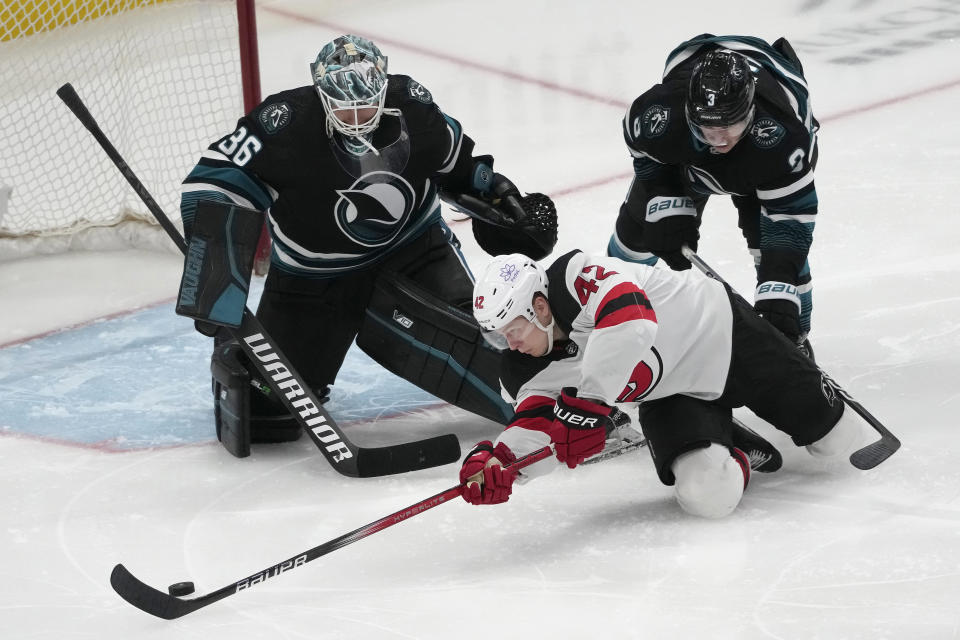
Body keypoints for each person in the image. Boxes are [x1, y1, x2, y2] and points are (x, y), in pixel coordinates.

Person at [178, 35, 557, 454]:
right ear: (320, 93)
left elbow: (457, 165)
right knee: (266, 416)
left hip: (417, 253)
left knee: (496, 345)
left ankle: (569, 394)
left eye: (366, 102)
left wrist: (499, 195)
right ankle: (248, 360)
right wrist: (213, 269)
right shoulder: (283, 123)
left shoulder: (412, 106)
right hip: (312, 282)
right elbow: (212, 182)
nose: (356, 115)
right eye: (343, 104)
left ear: (383, 86)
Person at [458, 251, 874, 518]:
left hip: (727, 339)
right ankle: (728, 440)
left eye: (511, 329)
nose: (508, 344)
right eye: (497, 336)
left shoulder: (575, 275)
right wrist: (501, 464)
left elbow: (631, 319)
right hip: (669, 394)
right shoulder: (521, 369)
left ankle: (799, 381)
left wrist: (589, 404)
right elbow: (536, 427)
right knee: (708, 497)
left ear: (540, 307)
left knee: (840, 445)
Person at [606, 34, 820, 357]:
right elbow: (637, 139)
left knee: (778, 266)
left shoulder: (782, 137)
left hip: (757, 163)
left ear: (749, 113)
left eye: (730, 127)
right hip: (692, 157)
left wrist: (779, 282)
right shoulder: (663, 116)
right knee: (637, 235)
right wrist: (664, 192)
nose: (719, 141)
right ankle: (607, 316)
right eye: (708, 130)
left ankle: (795, 344)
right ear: (692, 116)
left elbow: (790, 217)